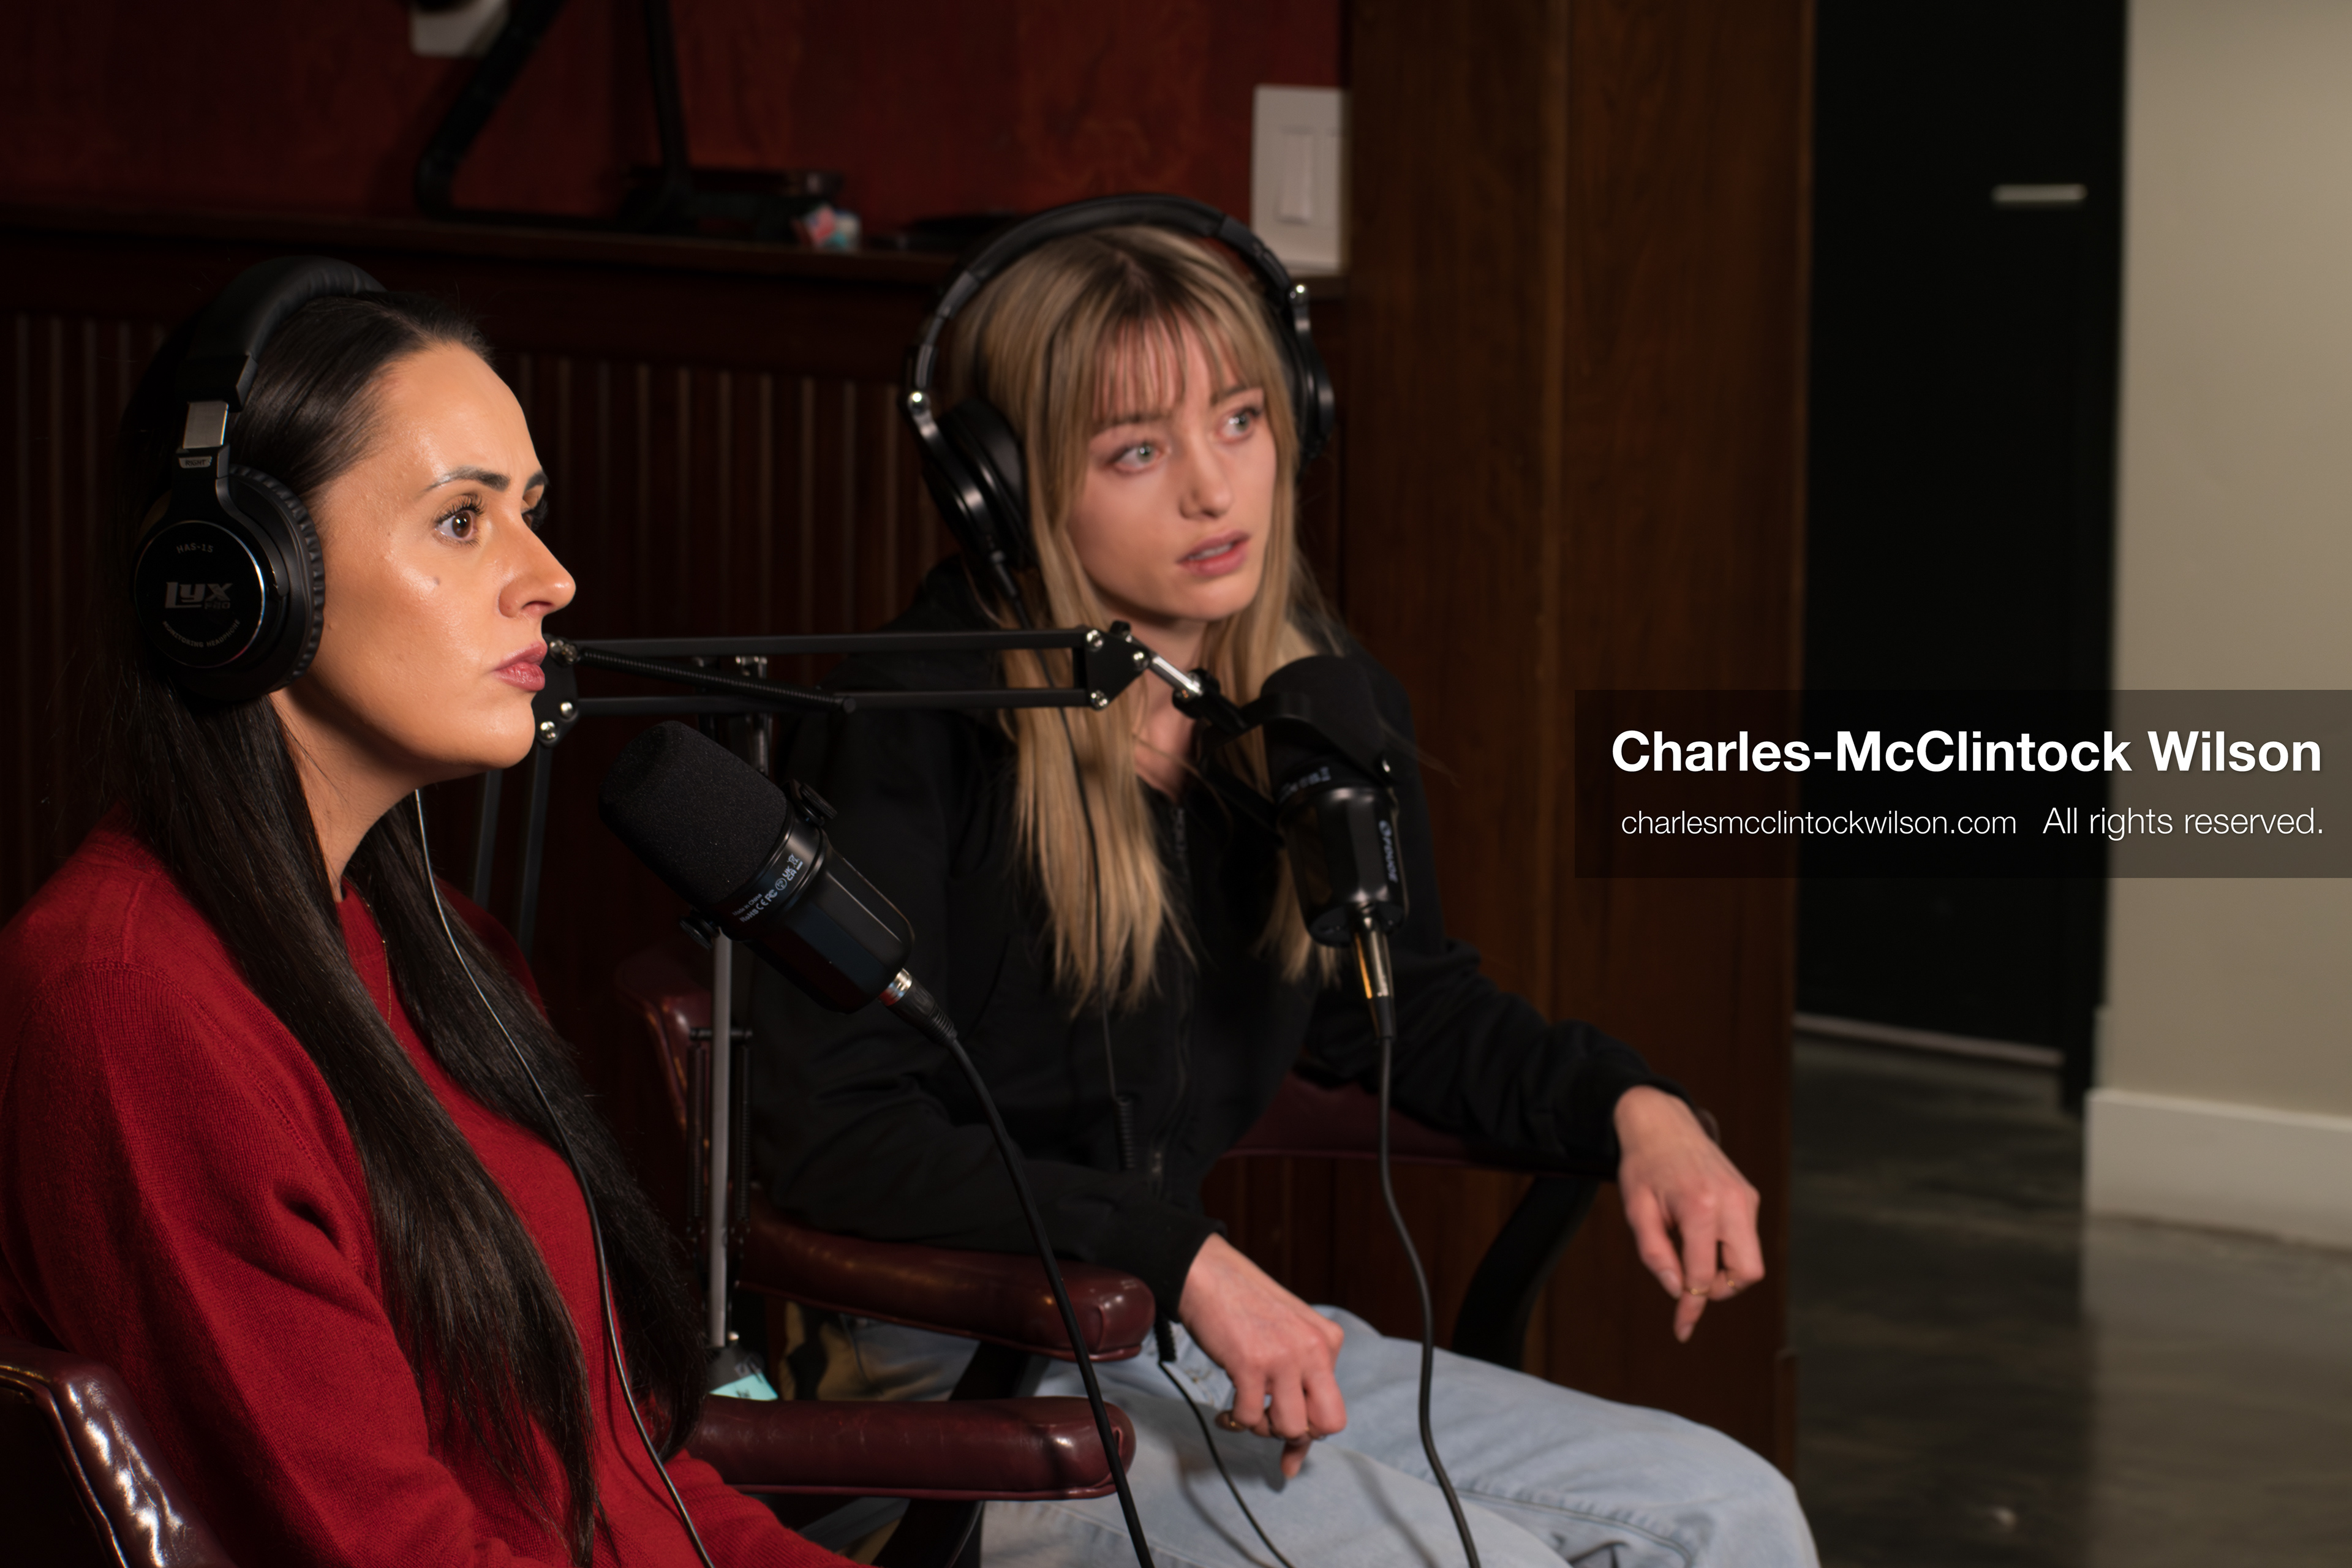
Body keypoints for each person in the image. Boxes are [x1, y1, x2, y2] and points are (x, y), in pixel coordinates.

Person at [748, 222, 1819, 1566]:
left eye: (1242, 420)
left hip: (1187, 1325)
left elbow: (1400, 1010)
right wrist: (1186, 1257)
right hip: (957, 1383)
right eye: (1138, 449)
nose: (1215, 488)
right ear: (1006, 488)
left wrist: (1633, 1105)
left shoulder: (1305, 708)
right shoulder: (909, 724)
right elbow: (838, 1134)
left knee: (1730, 1511)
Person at [0, 276, 845, 1567]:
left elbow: (628, 1484)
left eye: (531, 511)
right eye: (462, 519)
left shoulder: (444, 947)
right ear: (238, 580)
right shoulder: (129, 999)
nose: (550, 578)